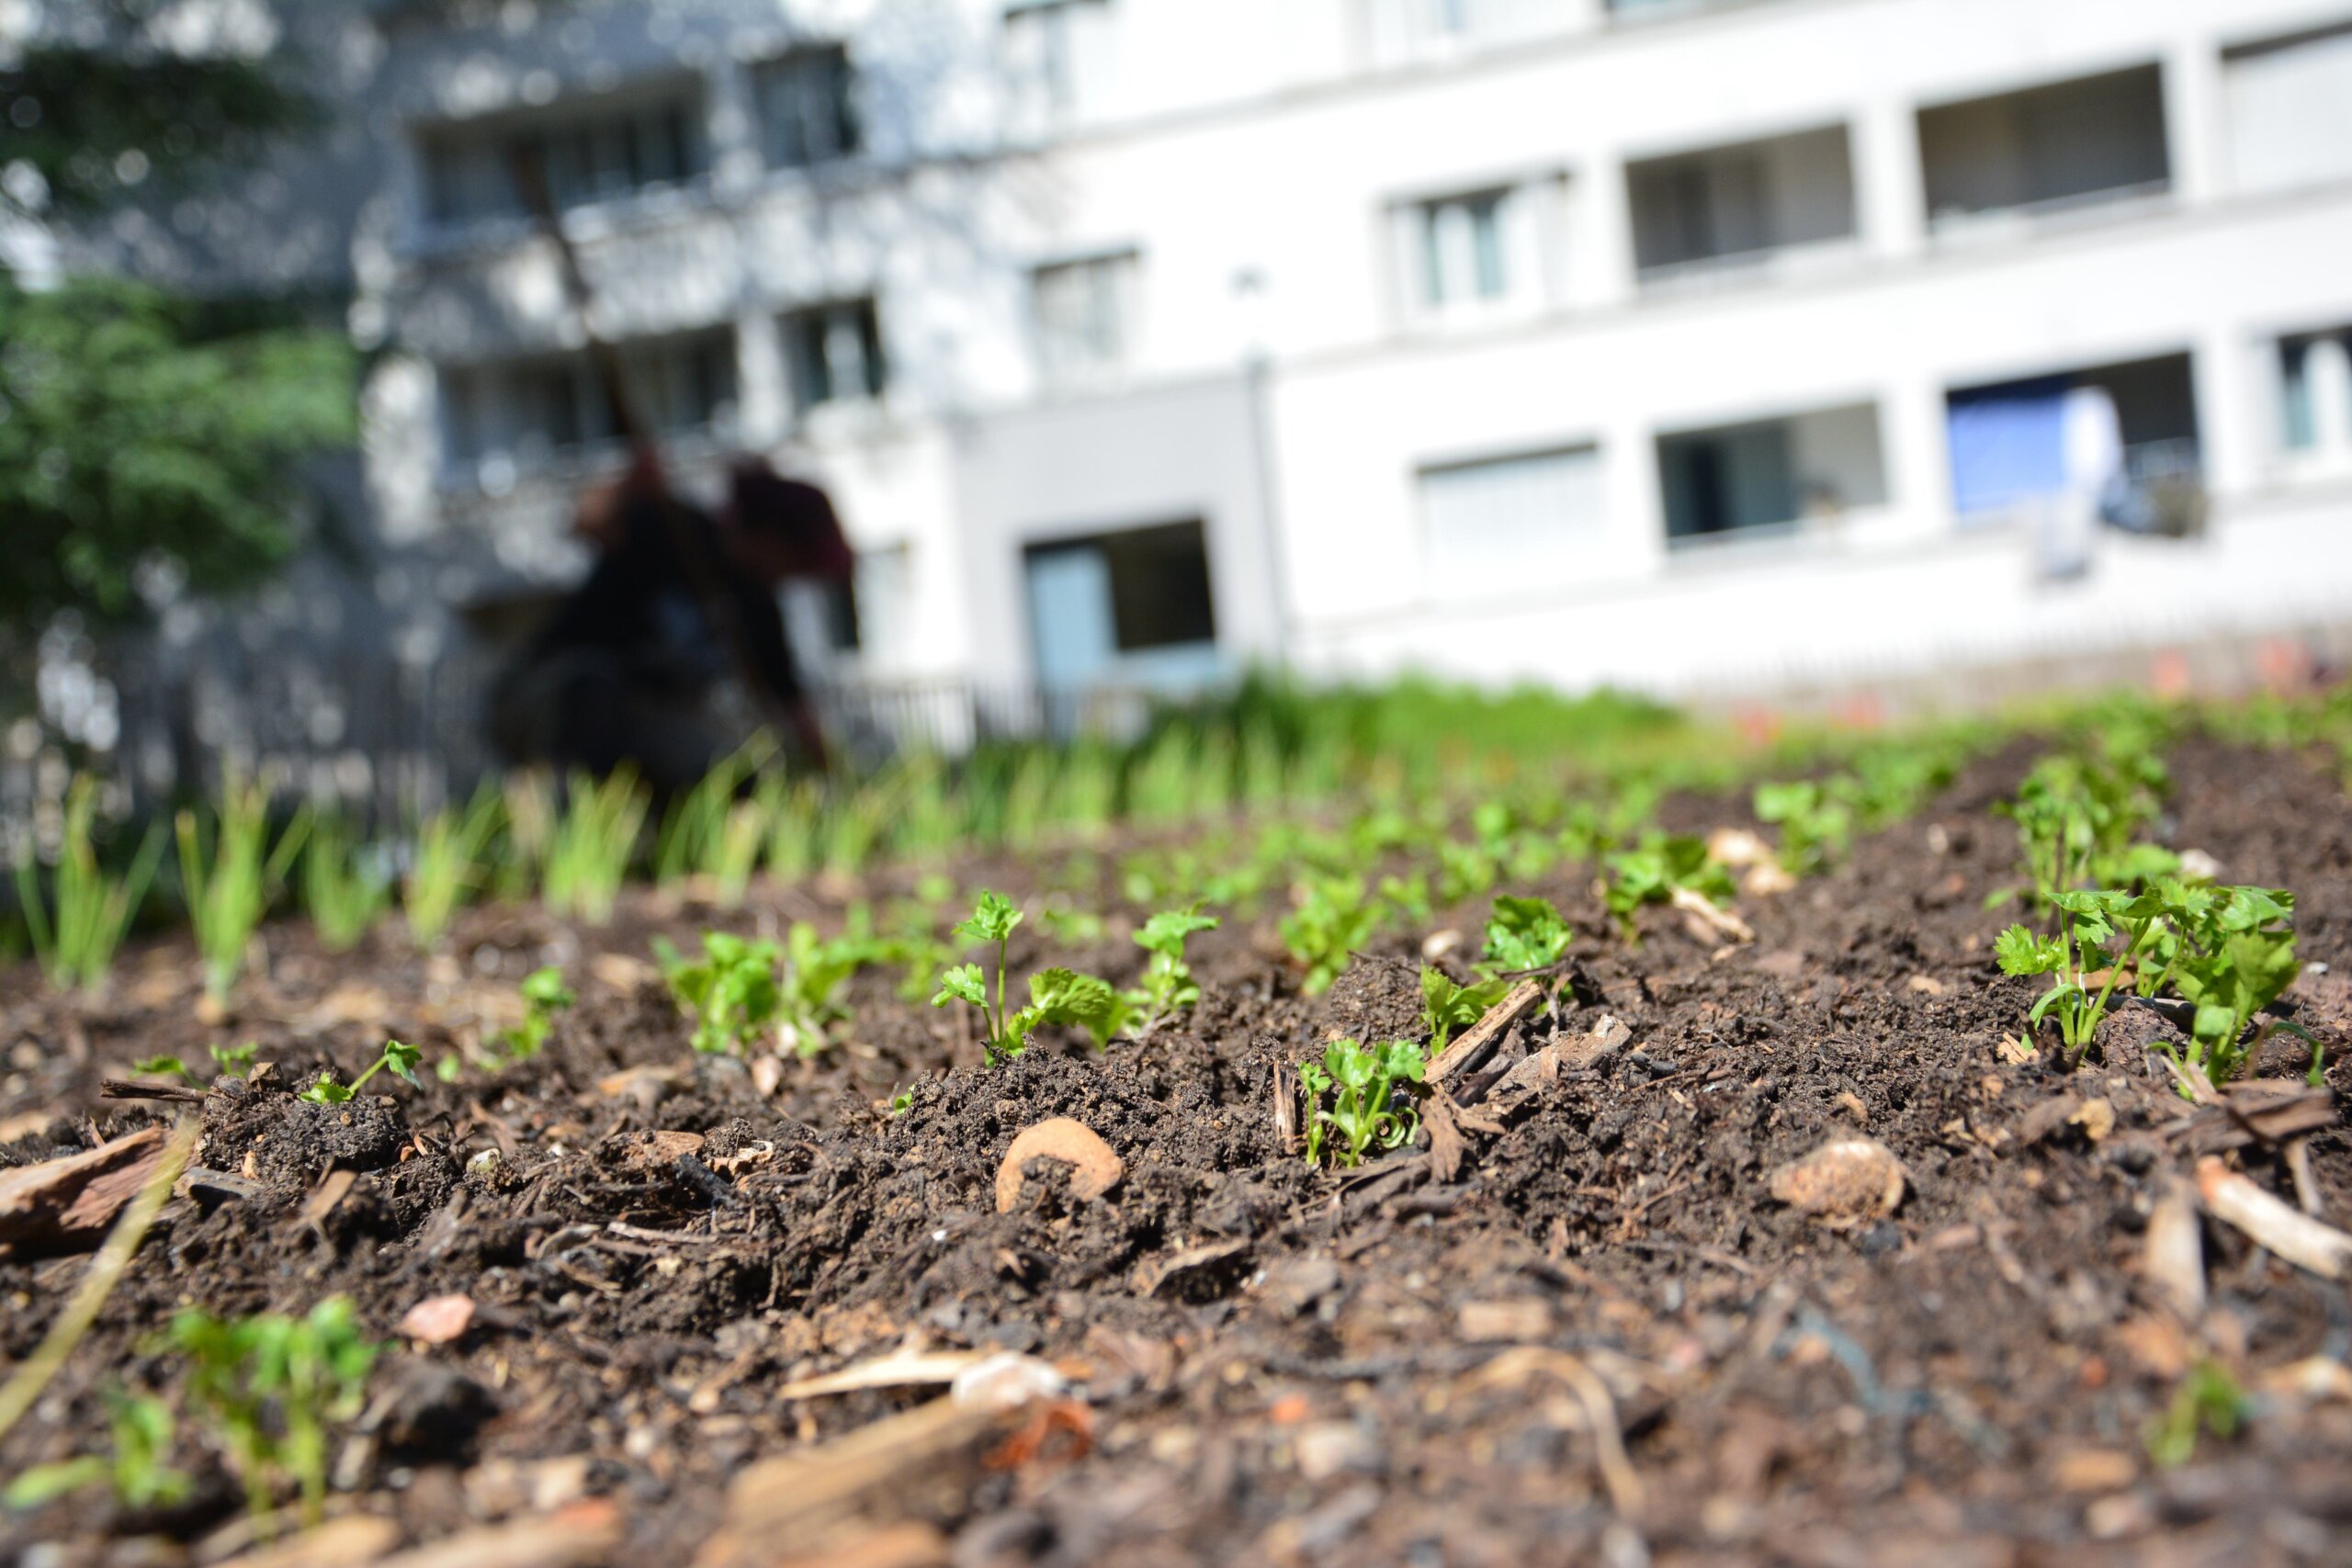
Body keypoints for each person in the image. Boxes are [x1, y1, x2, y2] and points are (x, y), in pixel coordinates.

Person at [490, 446, 844, 794]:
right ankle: (566, 821)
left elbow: (792, 707)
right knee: (594, 699)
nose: (794, 576)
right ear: (772, 537)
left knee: (726, 780)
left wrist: (837, 780)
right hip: (548, 695)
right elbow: (585, 522)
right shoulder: (675, 530)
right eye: (797, 560)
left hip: (647, 719)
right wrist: (626, 487)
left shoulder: (757, 609)